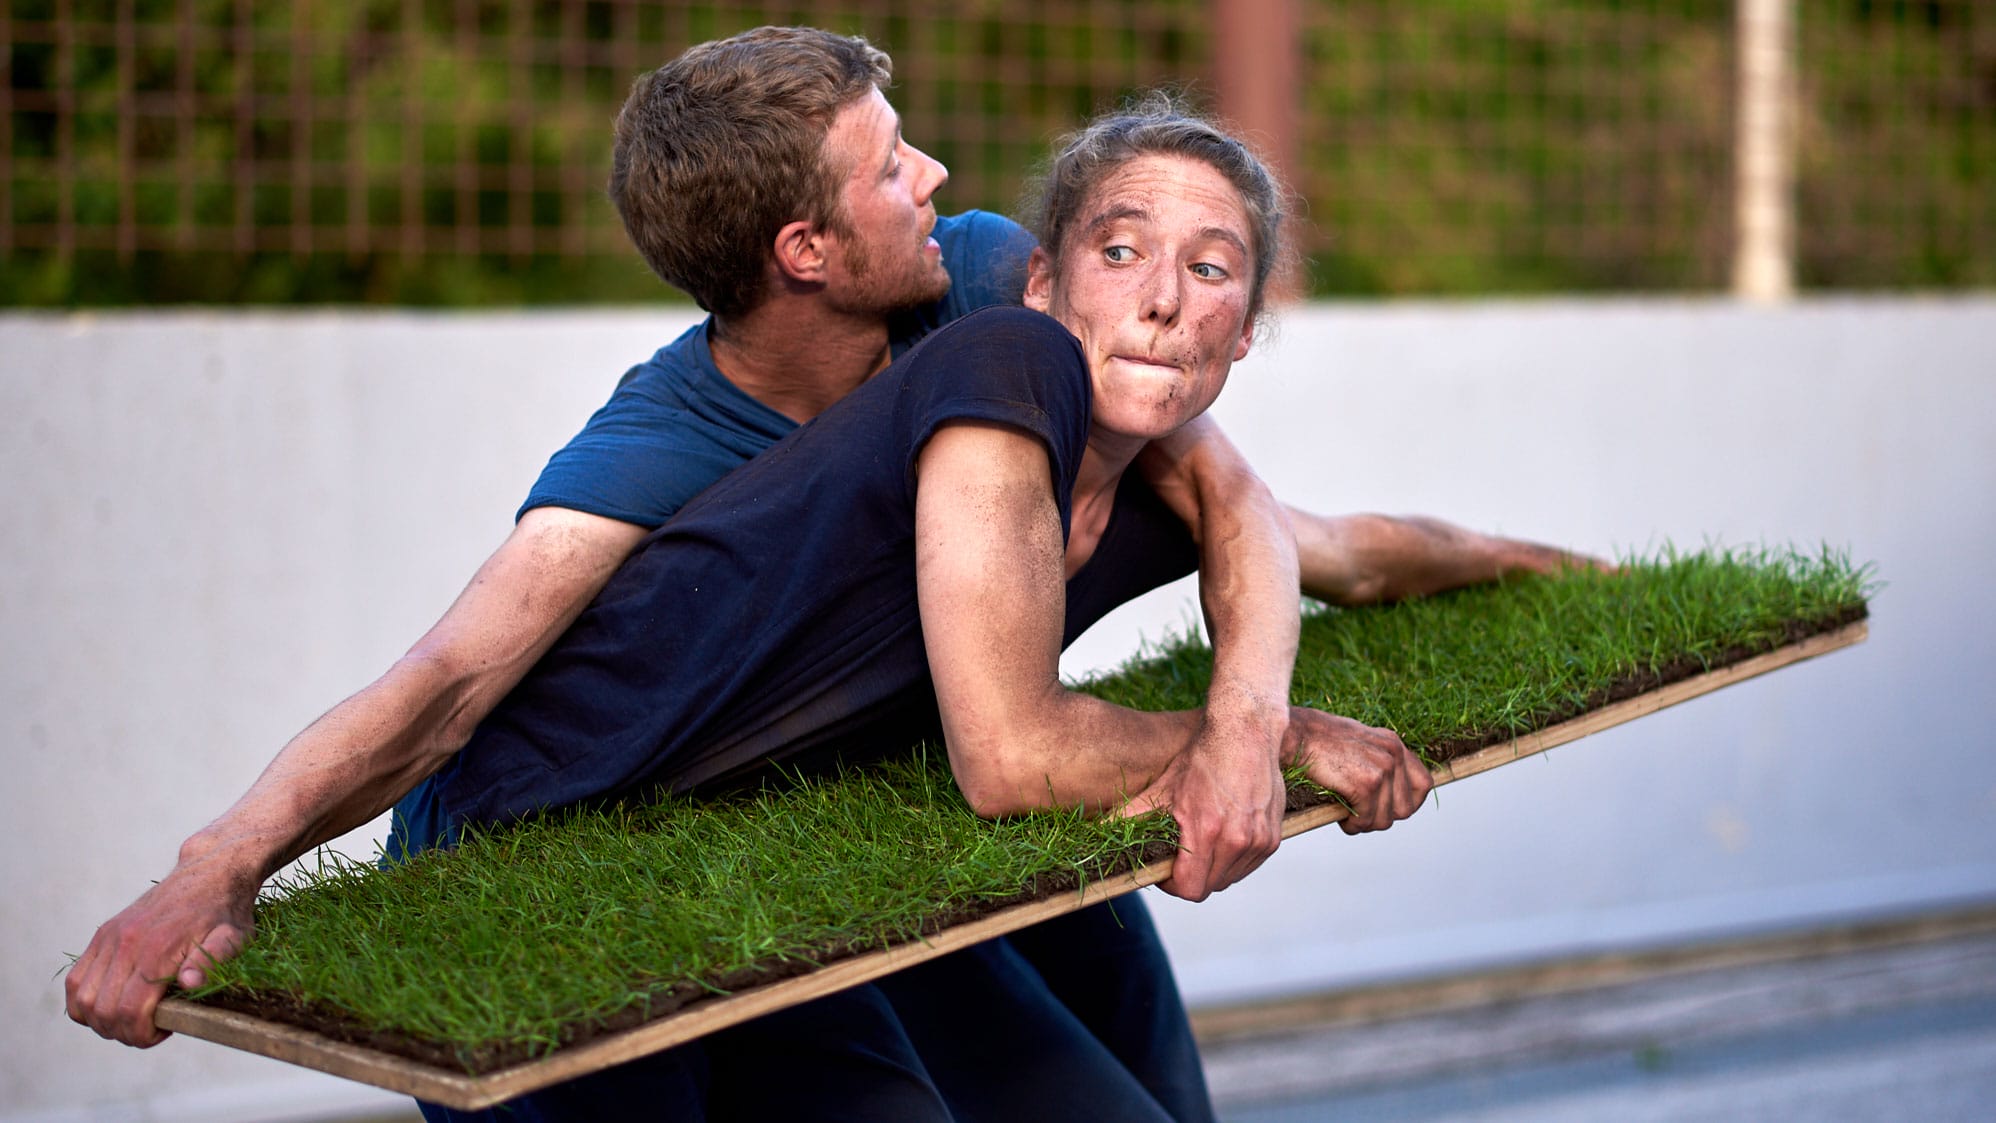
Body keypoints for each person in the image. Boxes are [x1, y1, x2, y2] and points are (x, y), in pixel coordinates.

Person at [66, 26, 1590, 1119]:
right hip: (605, 828)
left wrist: (1498, 588)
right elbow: (449, 682)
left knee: (1102, 1003)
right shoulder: (664, 448)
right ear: (804, 245)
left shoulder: (991, 279)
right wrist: (216, 867)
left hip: (841, 780)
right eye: (886, 165)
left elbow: (1255, 509)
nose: (931, 172)